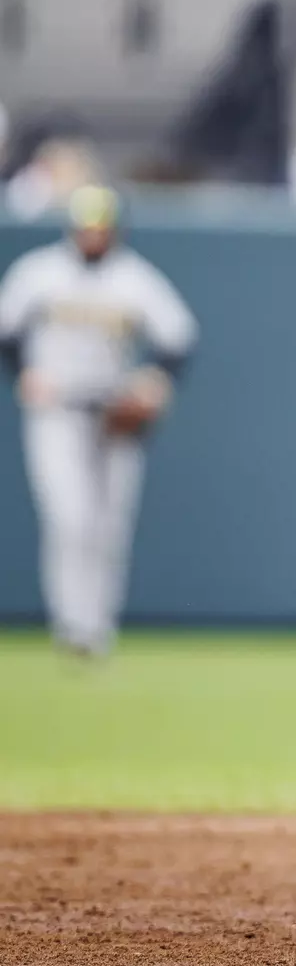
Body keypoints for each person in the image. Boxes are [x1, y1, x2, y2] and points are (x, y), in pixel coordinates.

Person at [0, 184, 196, 656]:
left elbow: (178, 339)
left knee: (109, 525)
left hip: (113, 413)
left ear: (114, 229)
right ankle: (72, 626)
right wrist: (24, 372)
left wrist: (154, 382)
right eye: (86, 227)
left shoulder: (133, 279)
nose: (93, 235)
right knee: (70, 518)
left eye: (101, 227)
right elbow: (7, 330)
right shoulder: (40, 273)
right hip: (58, 411)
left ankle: (97, 627)